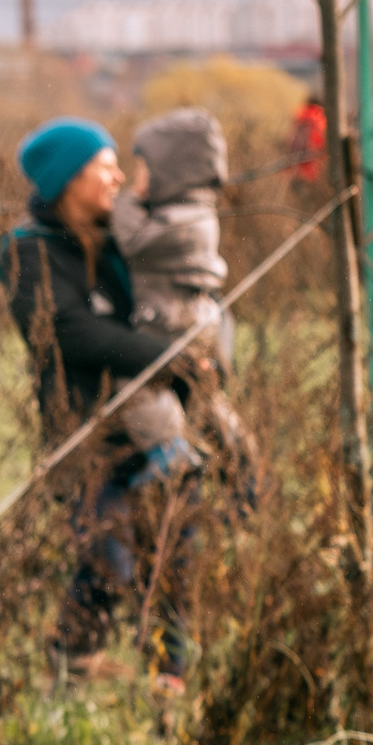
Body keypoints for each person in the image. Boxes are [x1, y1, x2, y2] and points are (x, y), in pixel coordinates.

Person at [0, 116, 197, 686]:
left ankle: (169, 678)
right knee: (109, 558)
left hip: (154, 427)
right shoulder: (28, 254)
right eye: (105, 166)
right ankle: (71, 662)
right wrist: (166, 357)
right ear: (69, 179)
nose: (119, 177)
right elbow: (70, 332)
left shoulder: (122, 241)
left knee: (173, 553)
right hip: (84, 437)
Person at [111, 106, 251, 478]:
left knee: (136, 386)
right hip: (195, 318)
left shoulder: (180, 222)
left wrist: (126, 202)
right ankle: (236, 454)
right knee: (202, 392)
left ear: (171, 173)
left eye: (143, 169)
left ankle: (170, 450)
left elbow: (133, 240)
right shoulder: (195, 213)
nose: (136, 178)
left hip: (169, 322)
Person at [288, 94, 327, 186]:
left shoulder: (301, 114)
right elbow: (320, 140)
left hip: (294, 158)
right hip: (312, 161)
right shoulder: (319, 116)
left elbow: (291, 136)